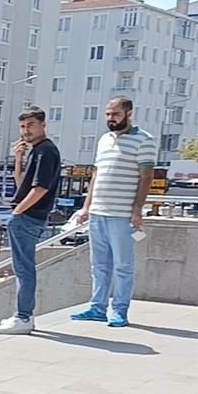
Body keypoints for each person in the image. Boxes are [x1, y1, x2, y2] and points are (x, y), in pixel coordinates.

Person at [71, 96, 156, 328]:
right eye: (108, 114)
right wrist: (87, 206)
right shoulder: (104, 140)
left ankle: (119, 310)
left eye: (115, 114)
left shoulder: (144, 140)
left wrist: (137, 209)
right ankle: (97, 307)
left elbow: (146, 177)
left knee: (123, 265)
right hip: (98, 212)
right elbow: (96, 174)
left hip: (122, 214)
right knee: (98, 264)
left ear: (128, 114)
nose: (110, 118)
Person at [0, 107, 61, 335]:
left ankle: (23, 317)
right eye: (22, 126)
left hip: (29, 217)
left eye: (30, 125)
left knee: (24, 269)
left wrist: (18, 212)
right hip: (26, 215)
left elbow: (40, 188)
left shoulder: (46, 151)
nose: (26, 131)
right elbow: (22, 183)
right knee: (21, 268)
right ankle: (22, 315)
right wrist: (19, 157)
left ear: (43, 125)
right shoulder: (36, 150)